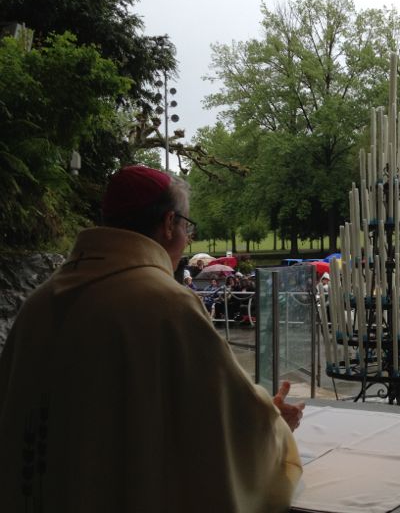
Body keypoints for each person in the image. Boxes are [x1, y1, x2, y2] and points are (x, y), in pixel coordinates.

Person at [0, 166, 303, 511]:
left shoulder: (40, 301)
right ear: (169, 223)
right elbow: (228, 428)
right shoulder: (167, 306)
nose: (187, 237)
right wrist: (275, 426)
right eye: (187, 226)